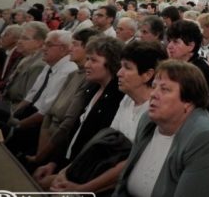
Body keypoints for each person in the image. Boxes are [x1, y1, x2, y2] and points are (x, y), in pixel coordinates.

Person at [47, 40, 167, 194]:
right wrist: (65, 172)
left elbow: (128, 163)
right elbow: (105, 143)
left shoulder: (155, 111)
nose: (119, 73)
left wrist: (82, 189)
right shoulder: (127, 99)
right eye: (121, 66)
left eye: (127, 68)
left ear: (148, 75)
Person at [113, 60, 209, 196]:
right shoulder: (148, 120)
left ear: (188, 101)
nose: (153, 94)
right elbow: (122, 183)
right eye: (154, 87)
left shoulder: (204, 139)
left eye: (164, 89)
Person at [33, 35, 124, 190]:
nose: (87, 64)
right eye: (87, 59)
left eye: (93, 60)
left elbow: (97, 148)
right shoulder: (92, 87)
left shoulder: (117, 97)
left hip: (83, 172)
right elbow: (73, 130)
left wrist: (63, 175)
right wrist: (53, 163)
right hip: (68, 163)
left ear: (112, 64)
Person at [26, 29, 100, 167]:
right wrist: (40, 152)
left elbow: (68, 124)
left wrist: (41, 156)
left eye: (75, 44)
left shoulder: (89, 80)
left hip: (59, 146)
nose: (70, 48)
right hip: (47, 140)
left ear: (88, 49)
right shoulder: (73, 75)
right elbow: (49, 113)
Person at [6, 30, 78, 159]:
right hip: (31, 113)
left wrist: (18, 125)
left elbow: (45, 112)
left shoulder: (68, 71)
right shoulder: (50, 63)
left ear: (63, 49)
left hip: (41, 123)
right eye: (44, 44)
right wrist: (14, 114)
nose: (44, 48)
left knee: (11, 148)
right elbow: (31, 96)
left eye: (49, 45)